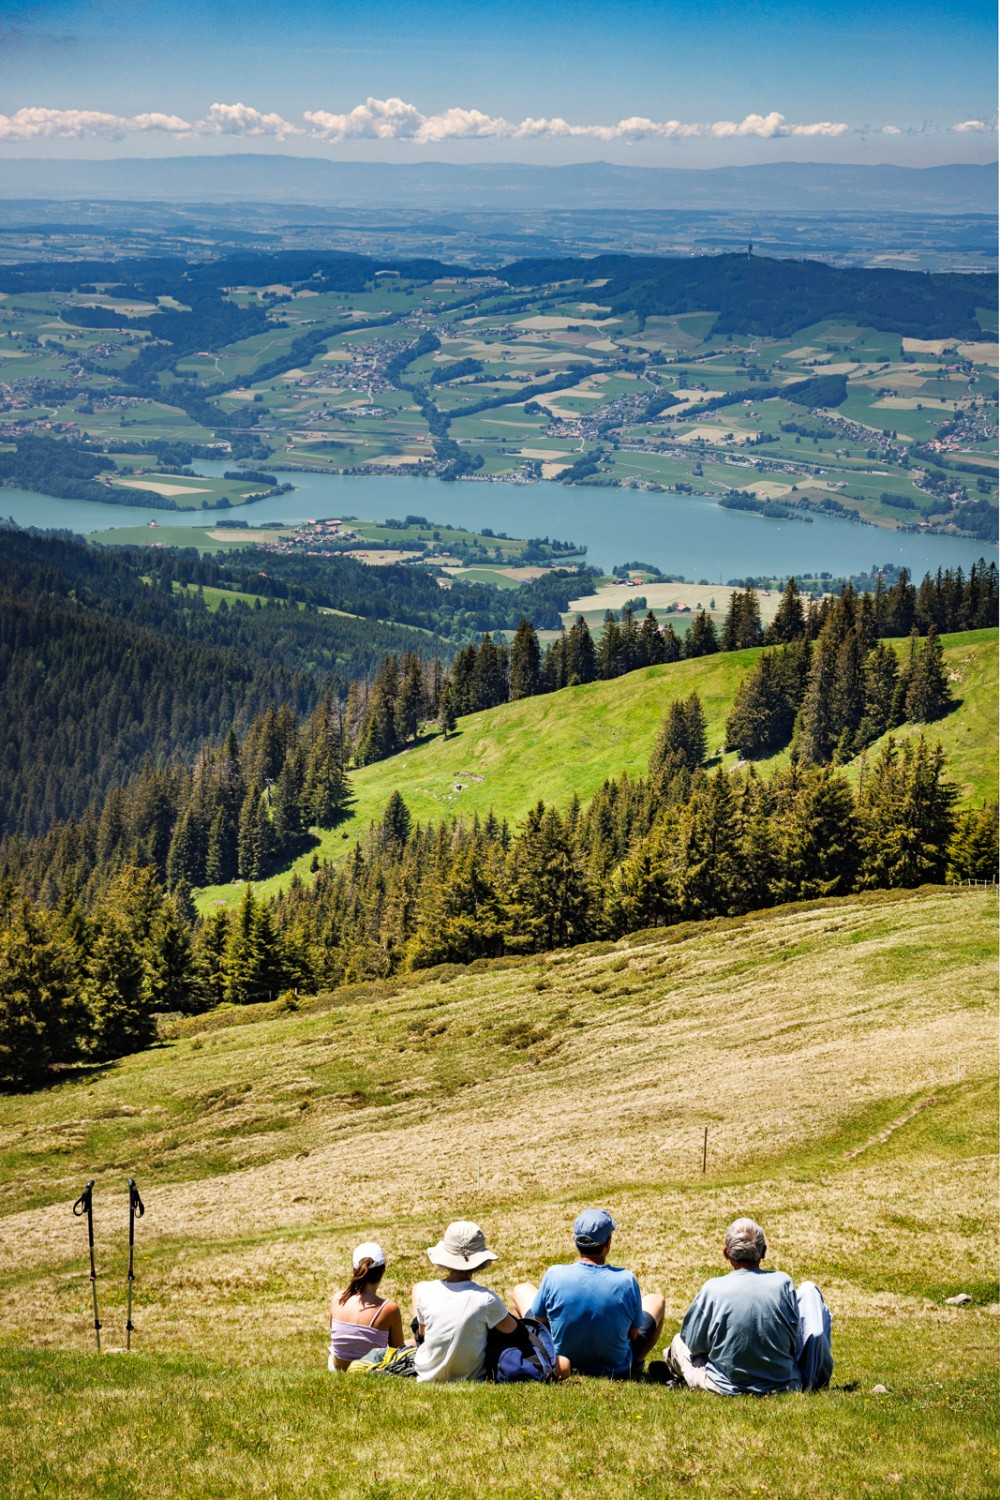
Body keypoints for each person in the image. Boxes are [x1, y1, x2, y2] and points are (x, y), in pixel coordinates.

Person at [665, 1216, 830, 1395]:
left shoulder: (712, 1288)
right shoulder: (784, 1283)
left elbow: (694, 1344)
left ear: (726, 1253)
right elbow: (792, 1341)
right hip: (783, 1384)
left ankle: (674, 1374)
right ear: (764, 1252)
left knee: (678, 1343)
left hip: (725, 1386)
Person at [511, 1209, 664, 1379]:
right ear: (608, 1244)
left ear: (576, 1241)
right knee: (657, 1300)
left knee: (521, 1289)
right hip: (616, 1367)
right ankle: (635, 1364)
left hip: (562, 1360)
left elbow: (539, 1323)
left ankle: (537, 1360)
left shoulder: (554, 1275)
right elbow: (634, 1334)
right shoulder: (627, 1280)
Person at [412, 1220, 519, 1383]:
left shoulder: (425, 1293)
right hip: (471, 1379)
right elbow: (515, 1331)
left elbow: (422, 1335)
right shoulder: (486, 1299)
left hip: (427, 1378)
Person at [328, 1241, 405, 1372]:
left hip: (337, 1369)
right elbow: (397, 1352)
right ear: (383, 1270)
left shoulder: (337, 1299)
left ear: (354, 1270)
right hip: (370, 1369)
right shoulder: (389, 1309)